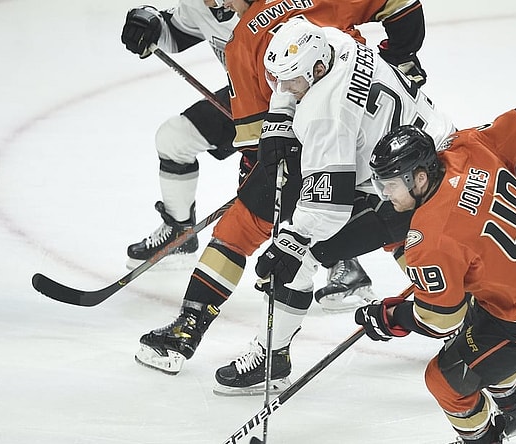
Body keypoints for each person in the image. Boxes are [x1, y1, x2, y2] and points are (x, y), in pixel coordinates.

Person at [134, 0, 430, 381]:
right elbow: (398, 5)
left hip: (333, 149)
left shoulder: (245, 44)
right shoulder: (335, 37)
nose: (217, 5)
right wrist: (402, 55)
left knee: (261, 237)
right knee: (406, 219)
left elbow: (264, 144)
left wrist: (260, 190)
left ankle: (203, 332)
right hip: (402, 141)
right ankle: (455, 303)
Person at [217, 18, 455, 396]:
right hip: (435, 153)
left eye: (291, 83)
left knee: (300, 260)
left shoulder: (325, 114)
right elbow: (292, 78)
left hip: (412, 191)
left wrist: (292, 240)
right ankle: (465, 317)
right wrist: (280, 114)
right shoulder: (332, 40)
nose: (283, 88)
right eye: (278, 80)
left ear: (316, 70)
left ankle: (272, 359)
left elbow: (328, 207)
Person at [353, 117, 516, 443]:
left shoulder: (430, 238)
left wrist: (391, 316)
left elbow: (440, 321)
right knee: (479, 331)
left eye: (391, 184)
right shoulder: (468, 146)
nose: (385, 194)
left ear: (419, 178)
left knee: (447, 379)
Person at [120, 0, 240, 270]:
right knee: (174, 139)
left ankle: (335, 257)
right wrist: (150, 23)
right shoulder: (201, 5)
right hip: (246, 96)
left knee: (305, 176)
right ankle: (179, 232)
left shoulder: (277, 7)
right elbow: (175, 32)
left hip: (302, 100)